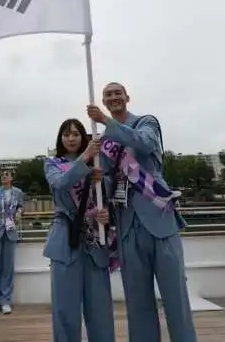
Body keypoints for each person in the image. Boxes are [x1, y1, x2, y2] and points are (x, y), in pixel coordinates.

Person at [87, 82, 195, 342]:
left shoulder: (146, 122)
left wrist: (105, 121)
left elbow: (145, 144)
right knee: (137, 302)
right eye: (108, 95)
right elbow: (111, 184)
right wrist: (97, 182)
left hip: (158, 218)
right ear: (103, 100)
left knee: (175, 298)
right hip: (126, 225)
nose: (113, 97)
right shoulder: (104, 143)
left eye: (117, 93)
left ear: (127, 97)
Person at [45, 118, 115, 342]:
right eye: (66, 134)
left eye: (76, 133)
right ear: (61, 138)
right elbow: (60, 183)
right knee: (65, 310)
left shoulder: (98, 163)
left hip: (95, 241)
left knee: (101, 311)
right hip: (66, 240)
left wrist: (108, 215)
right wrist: (85, 159)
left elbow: (109, 197)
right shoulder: (52, 163)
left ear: (83, 136)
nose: (71, 138)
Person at [0, 169, 25, 314]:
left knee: (8, 268)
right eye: (2, 174)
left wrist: (20, 211)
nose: (4, 176)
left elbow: (20, 206)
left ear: (12, 178)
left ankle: (5, 300)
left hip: (11, 232)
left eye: (7, 174)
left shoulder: (18, 192)